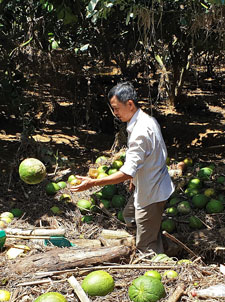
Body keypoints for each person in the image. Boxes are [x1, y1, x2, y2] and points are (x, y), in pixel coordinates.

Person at [71, 81, 174, 254]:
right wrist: (135, 179)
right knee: (129, 215)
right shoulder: (145, 120)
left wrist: (93, 183)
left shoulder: (141, 130)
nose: (115, 113)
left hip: (152, 192)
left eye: (116, 108)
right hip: (150, 185)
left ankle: (154, 258)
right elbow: (145, 158)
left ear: (130, 104)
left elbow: (127, 171)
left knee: (145, 247)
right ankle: (151, 235)